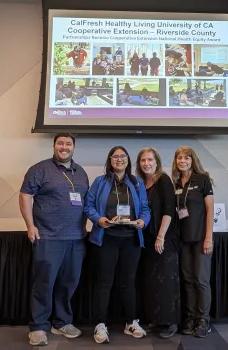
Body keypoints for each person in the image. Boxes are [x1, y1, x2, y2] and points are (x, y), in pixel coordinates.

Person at [19, 133, 89, 346]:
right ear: (54, 146)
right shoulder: (39, 169)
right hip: (48, 237)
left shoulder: (81, 172)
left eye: (68, 144)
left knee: (69, 283)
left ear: (73, 148)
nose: (64, 147)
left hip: (76, 239)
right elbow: (24, 196)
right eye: (60, 143)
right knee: (44, 284)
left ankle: (62, 323)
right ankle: (39, 327)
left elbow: (85, 202)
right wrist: (30, 226)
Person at [84, 146, 150, 344]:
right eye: (115, 156)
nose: (119, 159)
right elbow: (88, 205)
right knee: (104, 282)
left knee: (129, 283)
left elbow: (145, 209)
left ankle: (131, 322)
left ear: (128, 160)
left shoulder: (137, 183)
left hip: (131, 239)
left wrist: (142, 222)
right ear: (110, 160)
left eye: (123, 156)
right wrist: (99, 219)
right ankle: (100, 324)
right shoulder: (100, 182)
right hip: (107, 238)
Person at [136, 147, 180, 339]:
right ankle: (156, 318)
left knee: (166, 281)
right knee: (151, 281)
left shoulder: (163, 180)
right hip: (145, 239)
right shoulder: (140, 183)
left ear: (157, 162)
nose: (146, 163)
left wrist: (161, 236)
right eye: (143, 160)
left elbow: (169, 209)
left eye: (149, 160)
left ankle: (170, 321)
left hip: (163, 238)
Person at [171, 146, 214, 338]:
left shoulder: (203, 179)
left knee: (201, 281)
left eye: (186, 158)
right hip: (184, 240)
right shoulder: (176, 182)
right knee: (188, 281)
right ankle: (190, 317)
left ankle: (204, 319)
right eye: (179, 158)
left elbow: (210, 210)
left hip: (201, 239)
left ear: (192, 160)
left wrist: (209, 237)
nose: (183, 161)